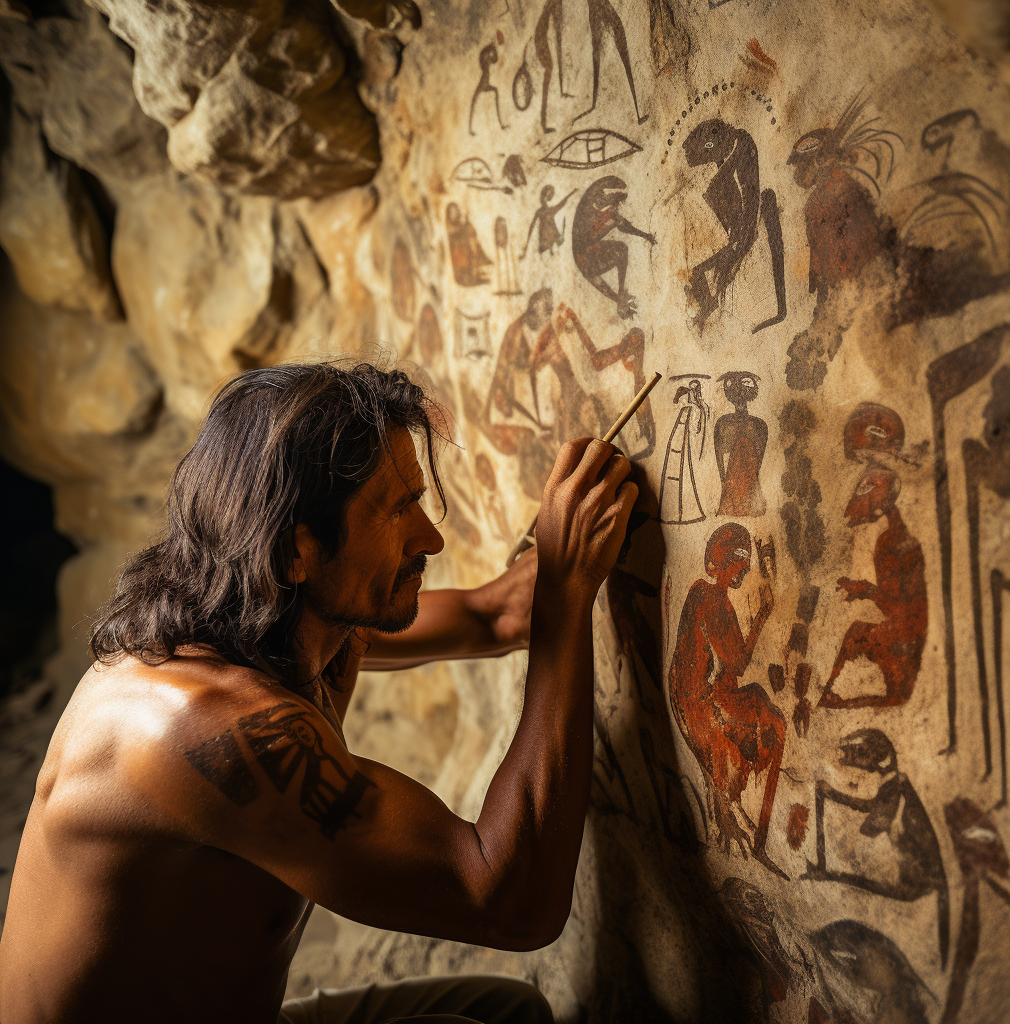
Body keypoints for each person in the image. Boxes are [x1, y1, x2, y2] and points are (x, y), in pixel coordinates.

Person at [0, 363, 638, 1024]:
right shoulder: (201, 729)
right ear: (295, 552)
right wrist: (567, 599)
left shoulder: (282, 618)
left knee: (504, 1010)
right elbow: (513, 902)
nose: (432, 538)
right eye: (398, 512)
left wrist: (565, 551)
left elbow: (495, 615)